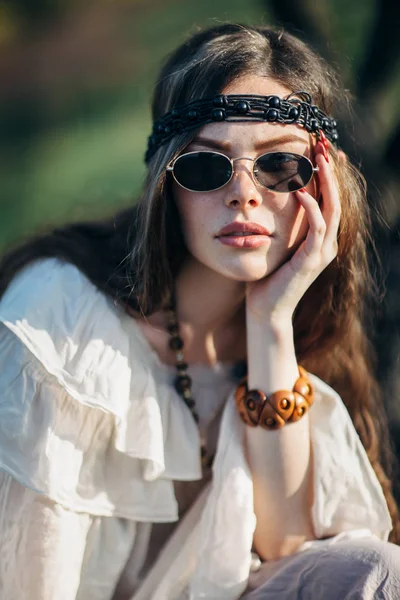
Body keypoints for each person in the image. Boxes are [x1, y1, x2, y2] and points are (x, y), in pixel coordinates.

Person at [0, 22, 399, 600]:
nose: (244, 193)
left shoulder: (296, 338)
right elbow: (29, 577)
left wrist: (270, 323)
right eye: (206, 167)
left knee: (375, 570)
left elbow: (289, 549)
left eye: (280, 167)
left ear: (322, 186)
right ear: (167, 186)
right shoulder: (62, 320)